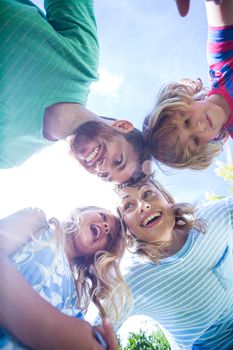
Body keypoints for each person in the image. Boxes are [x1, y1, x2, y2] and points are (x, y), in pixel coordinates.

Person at [0, 0, 150, 184]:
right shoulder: (81, 61)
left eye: (103, 175)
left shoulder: (9, 154)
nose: (101, 167)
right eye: (118, 160)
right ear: (122, 126)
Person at [115, 175, 233, 349]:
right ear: (127, 228)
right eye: (129, 205)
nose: (143, 205)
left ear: (167, 199)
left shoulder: (215, 216)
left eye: (148, 194)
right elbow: (91, 330)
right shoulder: (131, 279)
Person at [0, 205, 127, 349]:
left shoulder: (73, 301)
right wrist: (53, 329)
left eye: (109, 237)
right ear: (81, 212)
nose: (105, 227)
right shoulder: (38, 223)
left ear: (93, 256)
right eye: (103, 217)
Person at [143, 0, 233, 171]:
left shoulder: (221, 61)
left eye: (186, 121)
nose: (199, 127)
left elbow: (219, 6)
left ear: (182, 101)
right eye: (195, 141)